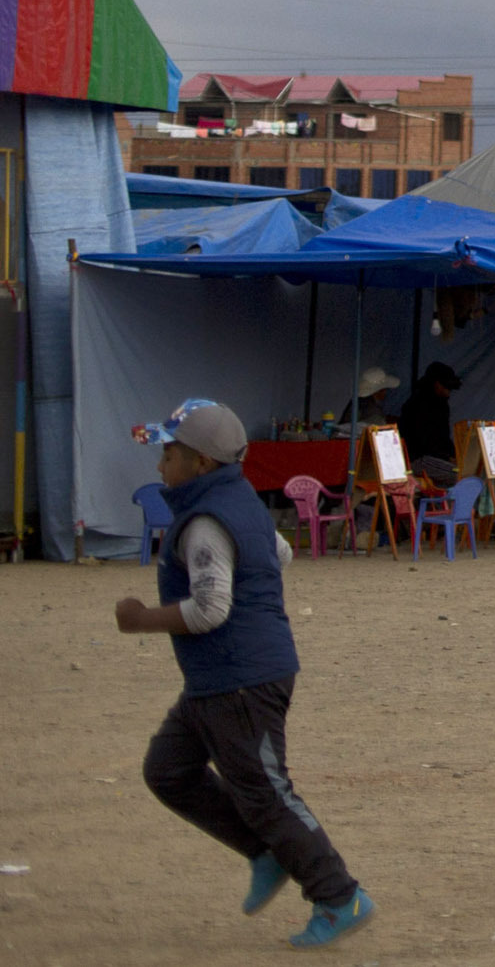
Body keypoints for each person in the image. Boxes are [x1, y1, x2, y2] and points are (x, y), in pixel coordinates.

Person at [117, 398, 373, 949]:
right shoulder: (241, 503)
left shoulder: (206, 520)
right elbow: (277, 553)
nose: (161, 465)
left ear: (202, 464)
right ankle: (265, 853)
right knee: (168, 771)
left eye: (170, 454)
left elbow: (211, 609)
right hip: (218, 681)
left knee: (265, 793)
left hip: (241, 680)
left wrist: (139, 620)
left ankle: (338, 894)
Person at [394, 362, 458, 473]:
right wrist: (447, 458)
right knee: (457, 475)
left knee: (465, 472)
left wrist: (454, 456)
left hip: (434, 456)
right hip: (418, 458)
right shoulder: (418, 404)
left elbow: (444, 436)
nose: (449, 391)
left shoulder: (441, 404)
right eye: (447, 387)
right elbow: (423, 441)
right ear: (437, 384)